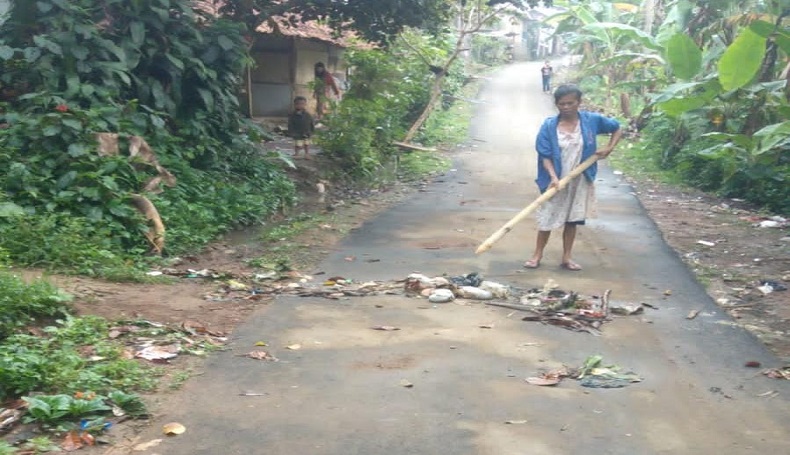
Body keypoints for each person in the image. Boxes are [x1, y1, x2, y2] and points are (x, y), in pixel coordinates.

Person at [524, 84, 623, 271]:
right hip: (555, 180)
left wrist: (610, 148)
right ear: (556, 104)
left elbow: (617, 128)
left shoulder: (591, 121)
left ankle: (567, 258)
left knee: (572, 219)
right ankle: (537, 255)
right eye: (561, 104)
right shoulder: (549, 126)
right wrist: (553, 177)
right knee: (547, 217)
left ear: (579, 102)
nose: (566, 107)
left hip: (580, 177)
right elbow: (544, 155)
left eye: (570, 103)